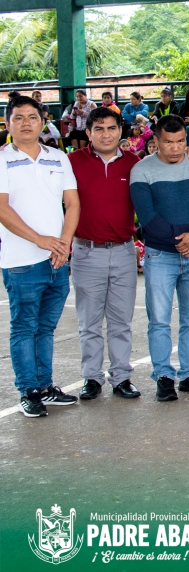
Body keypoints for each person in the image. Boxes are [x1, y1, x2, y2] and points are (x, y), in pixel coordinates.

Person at [0, 95, 81, 417]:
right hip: (21, 262)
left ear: (43, 121)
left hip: (57, 260)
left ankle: (45, 386)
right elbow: (2, 208)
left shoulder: (58, 158)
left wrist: (63, 243)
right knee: (24, 327)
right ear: (8, 123)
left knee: (46, 328)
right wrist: (41, 240)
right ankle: (29, 390)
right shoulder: (3, 160)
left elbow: (72, 203)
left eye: (32, 117)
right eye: (18, 118)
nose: (25, 123)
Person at [129, 115, 189, 402]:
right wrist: (182, 241)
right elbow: (147, 216)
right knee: (159, 321)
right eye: (168, 142)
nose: (176, 148)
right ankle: (164, 376)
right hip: (159, 255)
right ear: (155, 141)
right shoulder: (141, 170)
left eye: (181, 141)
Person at [69, 106, 141, 401]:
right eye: (98, 129)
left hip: (124, 252)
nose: (106, 134)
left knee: (121, 321)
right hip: (86, 252)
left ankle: (122, 377)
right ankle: (92, 378)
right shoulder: (72, 162)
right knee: (89, 322)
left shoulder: (134, 163)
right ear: (88, 133)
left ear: (120, 131)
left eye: (111, 128)